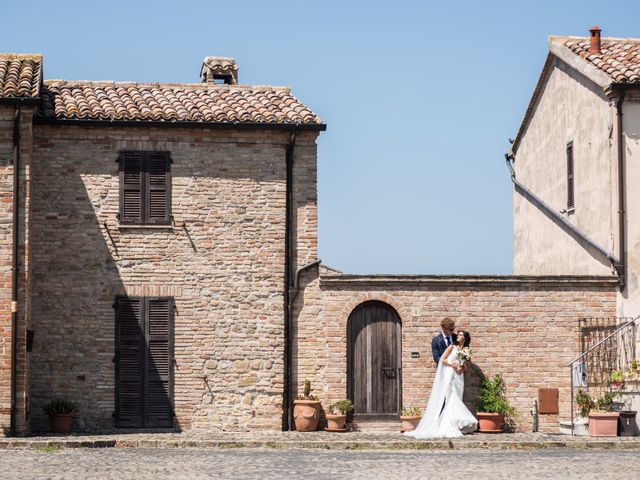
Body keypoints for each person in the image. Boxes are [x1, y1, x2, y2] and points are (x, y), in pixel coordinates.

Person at [405, 330, 478, 439]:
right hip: (450, 375)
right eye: (458, 334)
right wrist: (451, 364)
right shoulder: (451, 347)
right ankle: (449, 426)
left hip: (459, 376)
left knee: (457, 398)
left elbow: (467, 364)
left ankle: (454, 424)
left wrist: (462, 368)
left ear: (465, 338)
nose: (458, 336)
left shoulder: (466, 350)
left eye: (461, 335)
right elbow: (442, 360)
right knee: (451, 399)